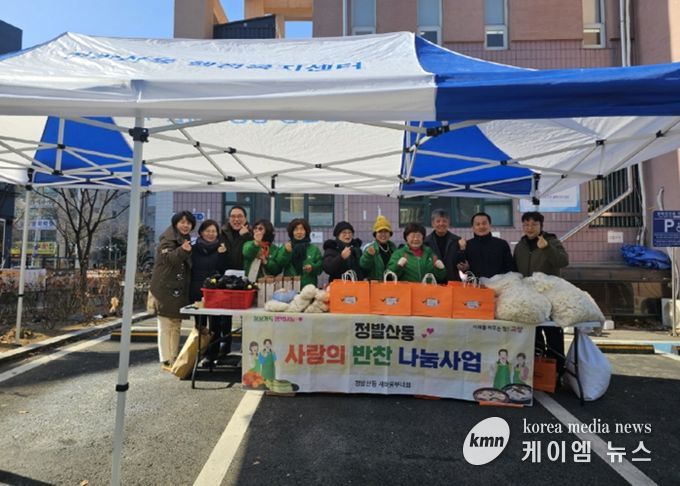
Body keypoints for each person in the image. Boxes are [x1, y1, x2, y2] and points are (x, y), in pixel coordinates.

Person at [514, 211, 570, 372]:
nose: (529, 228)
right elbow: (515, 269)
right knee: (534, 335)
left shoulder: (551, 241)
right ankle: (538, 372)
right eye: (526, 224)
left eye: (534, 224)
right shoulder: (520, 246)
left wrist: (547, 248)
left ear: (541, 226)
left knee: (553, 334)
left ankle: (557, 372)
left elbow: (563, 261)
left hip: (549, 297)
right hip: (529, 299)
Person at [149, 210, 196, 370]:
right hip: (164, 288)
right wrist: (183, 250)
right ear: (175, 223)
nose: (185, 225)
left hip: (176, 289)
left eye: (188, 223)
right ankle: (166, 359)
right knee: (165, 324)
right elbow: (168, 259)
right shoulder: (167, 239)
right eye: (182, 222)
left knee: (176, 324)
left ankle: (173, 357)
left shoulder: (184, 239)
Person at [189, 219, 228, 366]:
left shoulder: (221, 249)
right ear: (201, 232)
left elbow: (224, 270)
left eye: (214, 231)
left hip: (215, 291)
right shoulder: (193, 249)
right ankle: (198, 354)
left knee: (215, 324)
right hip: (197, 289)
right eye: (208, 231)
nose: (211, 234)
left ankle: (212, 355)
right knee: (199, 325)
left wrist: (223, 255)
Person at [461, 212, 515, 279]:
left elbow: (510, 268)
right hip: (475, 284)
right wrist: (461, 250)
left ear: (490, 225)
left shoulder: (502, 244)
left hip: (498, 284)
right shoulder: (467, 245)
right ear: (472, 227)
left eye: (484, 223)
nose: (481, 226)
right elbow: (463, 268)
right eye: (477, 224)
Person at [277, 218, 323, 287]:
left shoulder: (314, 249)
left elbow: (320, 267)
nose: (299, 232)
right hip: (290, 286)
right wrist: (286, 252)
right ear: (292, 232)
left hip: (308, 288)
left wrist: (312, 268)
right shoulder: (286, 247)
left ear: (306, 231)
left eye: (302, 229)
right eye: (296, 229)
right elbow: (279, 263)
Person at [424, 209, 466, 283]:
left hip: (452, 281)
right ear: (433, 224)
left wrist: (462, 249)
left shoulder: (457, 241)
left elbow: (461, 263)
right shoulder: (426, 242)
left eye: (444, 221)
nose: (441, 224)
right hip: (433, 282)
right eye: (438, 221)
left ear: (448, 223)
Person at [360, 215, 397, 281]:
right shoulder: (370, 247)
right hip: (376, 285)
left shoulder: (393, 248)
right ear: (375, 234)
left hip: (392, 284)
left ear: (390, 234)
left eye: (386, 231)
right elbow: (363, 265)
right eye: (380, 231)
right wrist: (368, 255)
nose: (383, 234)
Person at [219, 205, 253, 272]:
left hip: (247, 274)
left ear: (245, 218)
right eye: (233, 216)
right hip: (225, 274)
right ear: (229, 219)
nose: (236, 219)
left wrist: (246, 236)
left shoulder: (252, 234)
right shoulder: (222, 233)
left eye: (240, 216)